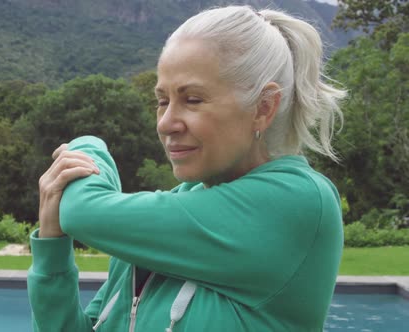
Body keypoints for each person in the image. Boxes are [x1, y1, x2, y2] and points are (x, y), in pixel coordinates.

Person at [27, 5, 346, 331]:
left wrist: (88, 146)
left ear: (263, 108)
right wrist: (52, 252)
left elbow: (83, 211)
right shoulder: (159, 228)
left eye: (192, 99)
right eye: (162, 100)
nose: (166, 123)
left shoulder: (297, 200)